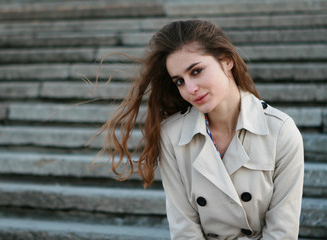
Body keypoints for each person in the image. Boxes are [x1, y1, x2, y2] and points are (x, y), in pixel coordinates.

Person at [93, 20, 304, 239]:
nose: (190, 89)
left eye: (196, 71)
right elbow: (184, 228)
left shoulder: (280, 131)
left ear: (226, 60)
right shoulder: (173, 136)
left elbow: (282, 231)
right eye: (179, 81)